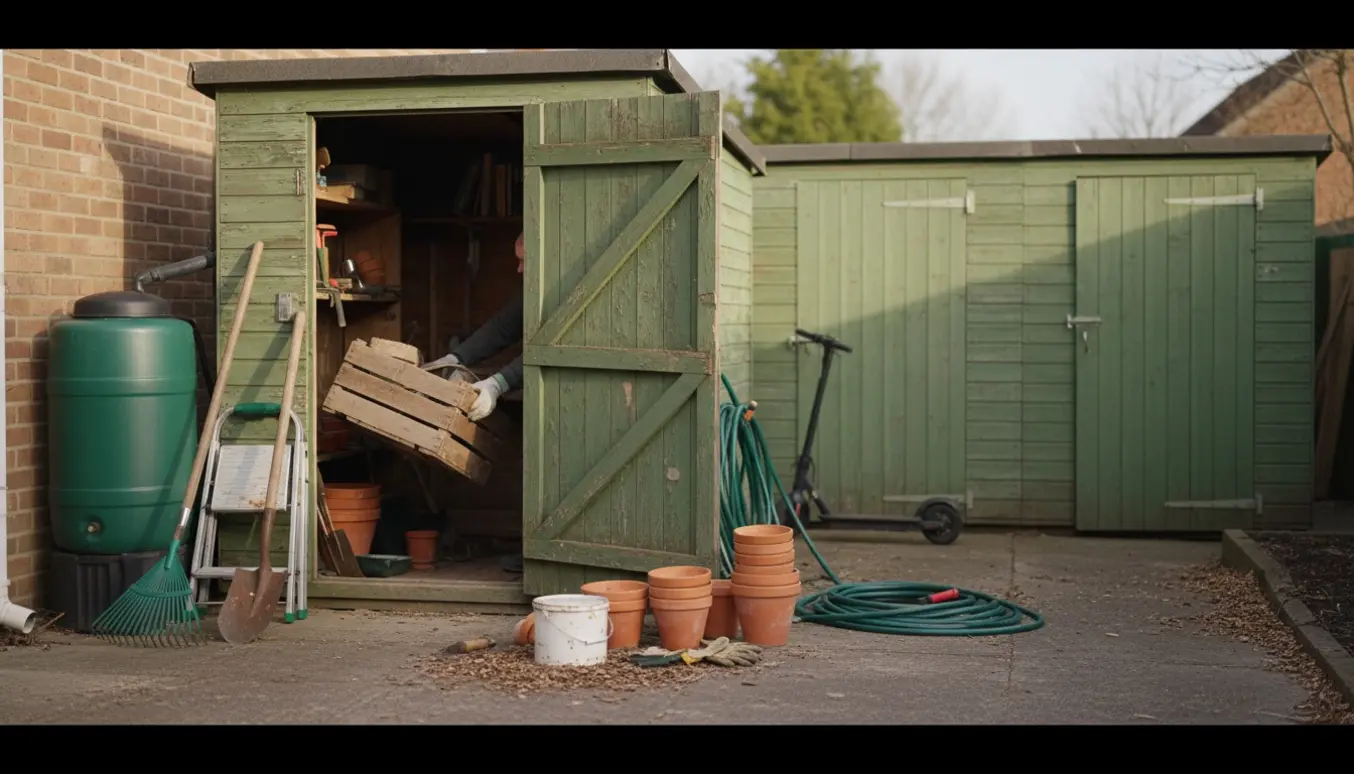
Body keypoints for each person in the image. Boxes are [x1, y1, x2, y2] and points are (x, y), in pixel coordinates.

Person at [421, 232, 524, 423]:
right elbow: (503, 328)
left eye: (524, 261)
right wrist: (455, 358)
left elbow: (548, 350)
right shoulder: (531, 290)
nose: (519, 269)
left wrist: (499, 383)